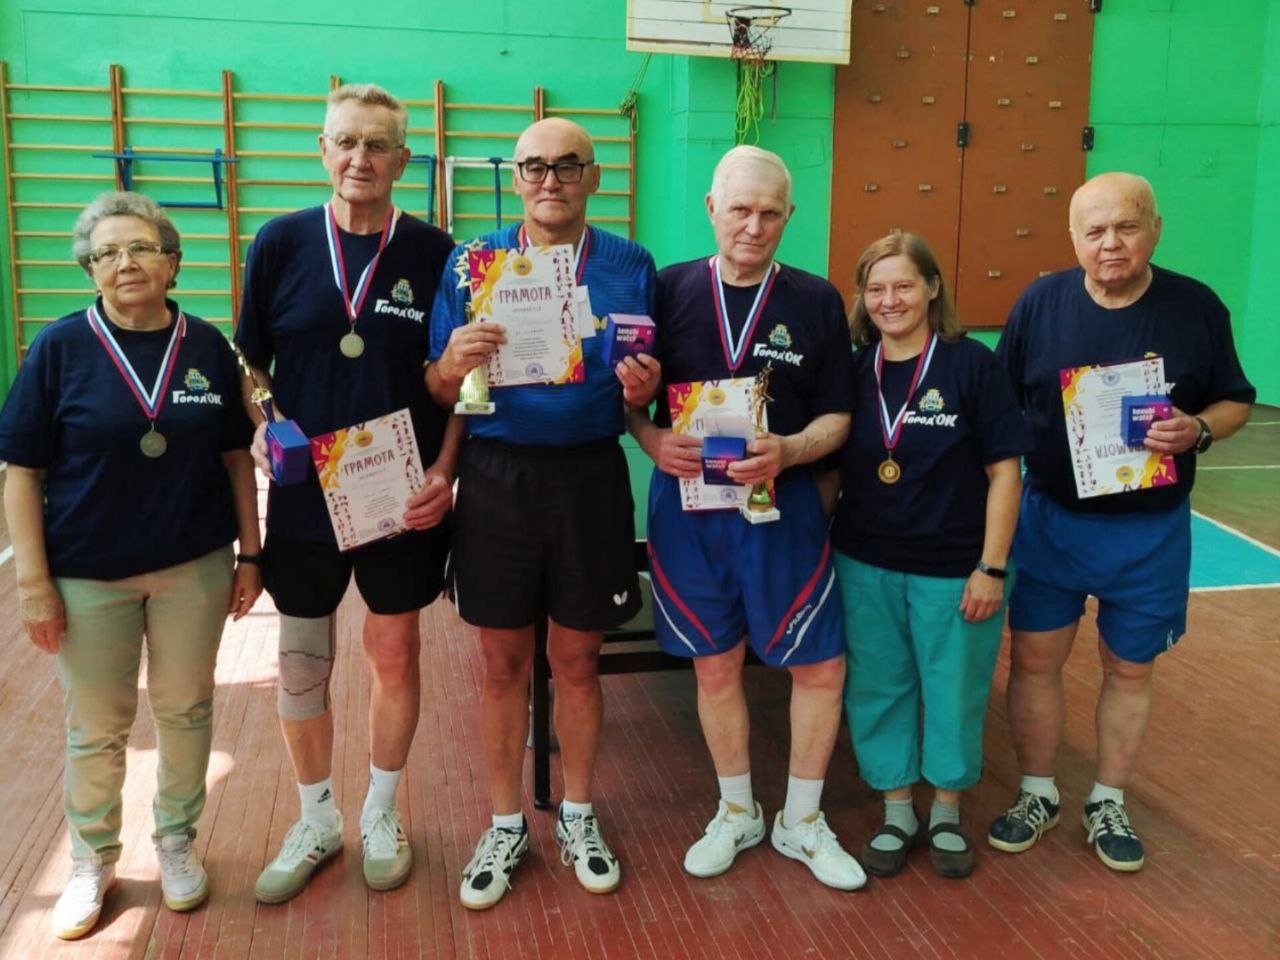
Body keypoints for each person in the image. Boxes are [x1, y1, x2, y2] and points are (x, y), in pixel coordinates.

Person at [0, 191, 261, 939]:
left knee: (186, 710)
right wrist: (33, 584)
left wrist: (251, 553)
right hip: (88, 575)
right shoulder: (59, 349)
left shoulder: (206, 345)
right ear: (89, 269)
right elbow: (22, 472)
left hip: (192, 567)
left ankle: (176, 840)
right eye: (107, 252)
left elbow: (236, 458)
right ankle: (92, 858)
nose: (125, 262)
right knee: (97, 726)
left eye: (141, 248)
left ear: (172, 262)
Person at [988, 172, 1255, 872]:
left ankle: (1107, 799)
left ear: (1155, 229)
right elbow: (999, 402)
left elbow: (1235, 400)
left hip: (1150, 528)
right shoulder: (1039, 303)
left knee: (1130, 668)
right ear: (1073, 238)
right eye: (1095, 230)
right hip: (1051, 519)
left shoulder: (1197, 307)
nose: (1111, 243)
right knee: (1035, 660)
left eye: (1127, 226)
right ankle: (1038, 792)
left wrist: (1199, 428)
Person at [427, 117, 660, 909]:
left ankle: (579, 815)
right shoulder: (472, 262)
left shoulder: (630, 264)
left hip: (590, 476)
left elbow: (645, 378)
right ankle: (503, 824)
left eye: (567, 166)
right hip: (498, 477)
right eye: (534, 166)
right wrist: (452, 363)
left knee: (579, 661)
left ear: (593, 176)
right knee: (501, 664)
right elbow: (440, 387)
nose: (550, 180)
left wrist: (644, 386)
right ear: (516, 176)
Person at [235, 83, 457, 902]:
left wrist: (446, 472)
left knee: (394, 652)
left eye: (377, 145)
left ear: (403, 159)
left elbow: (462, 384)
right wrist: (264, 421)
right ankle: (317, 816)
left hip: (401, 491)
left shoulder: (436, 253)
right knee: (302, 662)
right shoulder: (280, 242)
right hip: (304, 496)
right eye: (346, 142)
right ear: (322, 151)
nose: (360, 158)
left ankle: (383, 812)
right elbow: (249, 363)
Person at [628, 146, 863, 891]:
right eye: (740, 210)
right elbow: (629, 401)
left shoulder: (817, 300)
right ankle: (738, 811)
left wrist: (790, 449)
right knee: (716, 662)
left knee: (819, 665)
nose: (754, 227)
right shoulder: (665, 289)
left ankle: (802, 820)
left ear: (789, 215)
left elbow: (839, 417)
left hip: (781, 509)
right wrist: (651, 438)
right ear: (711, 209)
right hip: (690, 513)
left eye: (769, 213)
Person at [828, 232, 1028, 879]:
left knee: (953, 690)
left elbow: (1006, 473)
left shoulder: (972, 365)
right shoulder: (854, 370)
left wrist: (992, 566)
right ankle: (897, 811)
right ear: (862, 297)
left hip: (955, 568)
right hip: (864, 562)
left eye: (904, 286)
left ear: (932, 288)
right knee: (877, 686)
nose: (890, 300)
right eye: (876, 289)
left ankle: (944, 810)